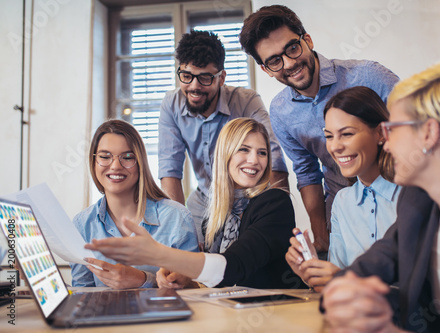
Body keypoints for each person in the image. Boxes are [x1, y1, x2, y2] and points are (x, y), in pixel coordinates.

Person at [321, 62, 440, 332]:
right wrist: (351, 296)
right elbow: (362, 275)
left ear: (428, 133)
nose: (387, 143)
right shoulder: (418, 203)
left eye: (392, 128)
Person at [239, 5, 399, 254]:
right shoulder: (281, 111)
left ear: (307, 40)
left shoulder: (369, 76)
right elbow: (307, 173)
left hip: (395, 198)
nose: (290, 63)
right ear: (265, 69)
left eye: (292, 48)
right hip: (341, 208)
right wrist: (320, 233)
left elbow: (412, 131)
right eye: (274, 61)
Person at [85, 118, 305, 289]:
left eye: (262, 153)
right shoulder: (215, 217)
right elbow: (215, 285)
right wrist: (184, 278)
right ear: (225, 155)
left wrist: (158, 254)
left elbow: (234, 267)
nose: (254, 160)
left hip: (278, 315)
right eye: (244, 149)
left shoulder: (275, 203)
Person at [159, 30, 288, 244]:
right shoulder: (170, 105)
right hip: (204, 200)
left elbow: (273, 157)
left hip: (247, 198)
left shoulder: (247, 101)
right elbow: (169, 171)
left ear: (221, 78)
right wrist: (181, 233)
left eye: (205, 78)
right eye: (186, 76)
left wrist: (277, 210)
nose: (194, 86)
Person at [286, 86, 400, 292]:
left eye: (346, 134)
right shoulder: (342, 201)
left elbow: (424, 285)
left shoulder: (412, 194)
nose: (335, 147)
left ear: (381, 133)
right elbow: (336, 284)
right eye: (329, 136)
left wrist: (344, 280)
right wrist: (312, 271)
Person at [70, 120, 199, 289]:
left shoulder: (177, 219)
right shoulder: (82, 224)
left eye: (128, 157)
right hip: (103, 316)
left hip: (163, 315)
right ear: (94, 162)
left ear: (140, 163)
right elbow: (82, 293)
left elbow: (195, 291)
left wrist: (144, 280)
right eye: (105, 157)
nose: (115, 166)